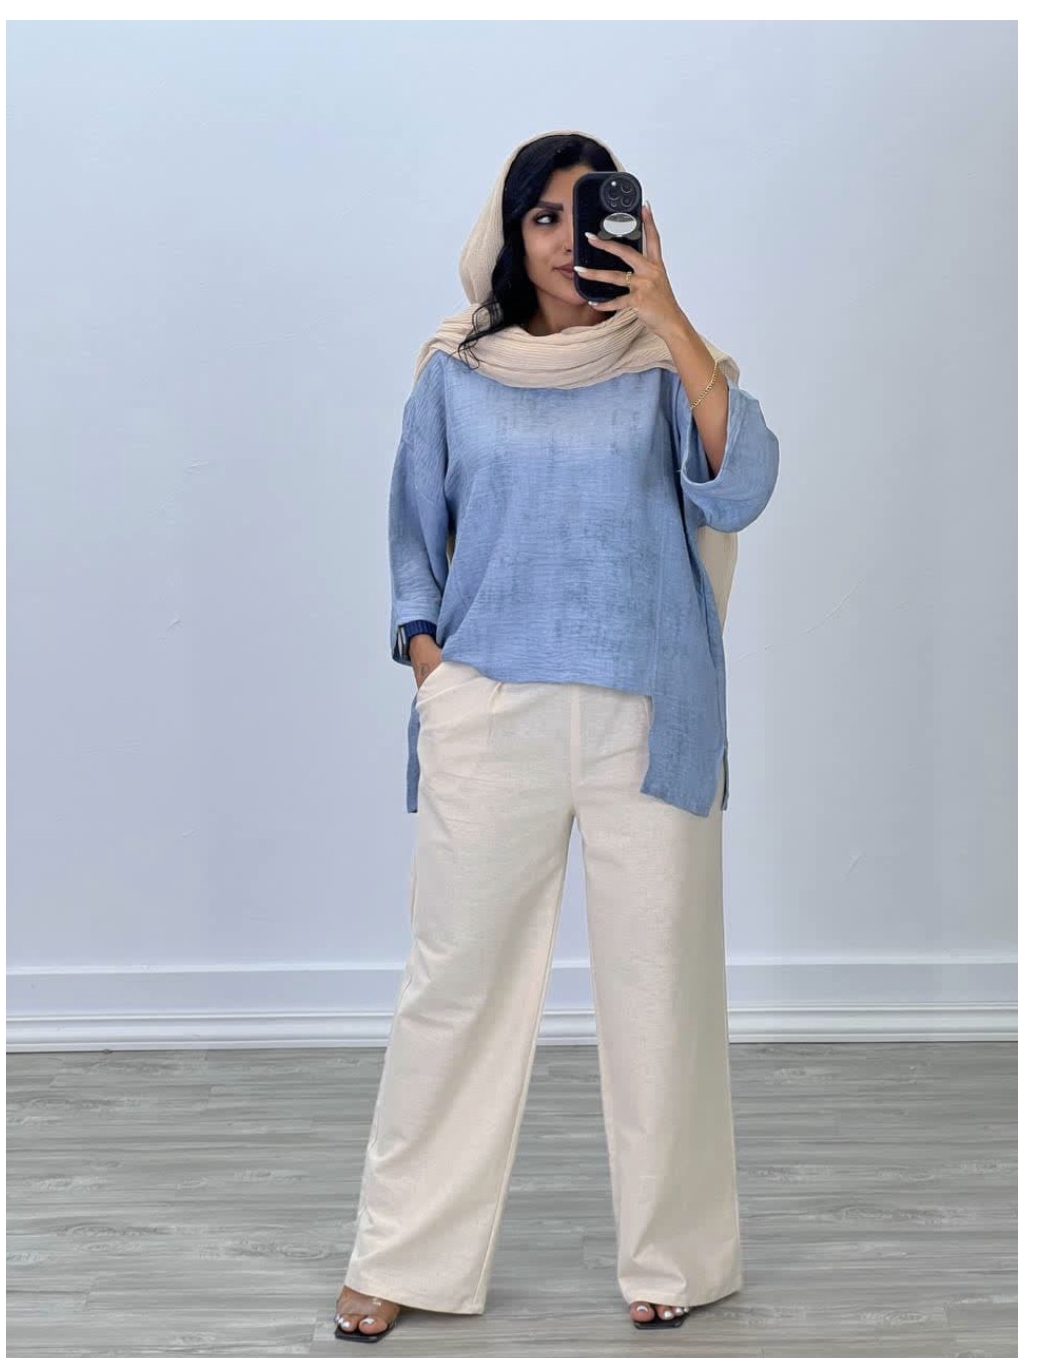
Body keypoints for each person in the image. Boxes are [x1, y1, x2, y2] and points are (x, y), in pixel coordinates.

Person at [334, 129, 780, 1343]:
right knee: (455, 986)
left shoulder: (663, 363)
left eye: (591, 213)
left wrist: (669, 313)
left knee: (660, 991)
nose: (566, 238)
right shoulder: (454, 371)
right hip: (491, 708)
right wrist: (431, 665)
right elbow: (413, 537)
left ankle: (675, 1254)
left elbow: (741, 486)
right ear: (509, 233)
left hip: (649, 709)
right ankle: (402, 1253)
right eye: (544, 216)